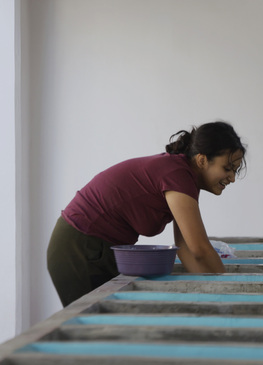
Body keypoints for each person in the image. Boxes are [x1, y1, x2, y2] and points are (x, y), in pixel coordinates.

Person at [47, 121, 246, 306]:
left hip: (92, 248)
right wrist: (229, 293)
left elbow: (186, 248)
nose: (232, 178)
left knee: (107, 330)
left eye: (235, 171)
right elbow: (199, 248)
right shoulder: (177, 176)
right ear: (202, 160)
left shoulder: (183, 177)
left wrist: (212, 293)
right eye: (227, 168)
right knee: (92, 332)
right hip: (78, 247)